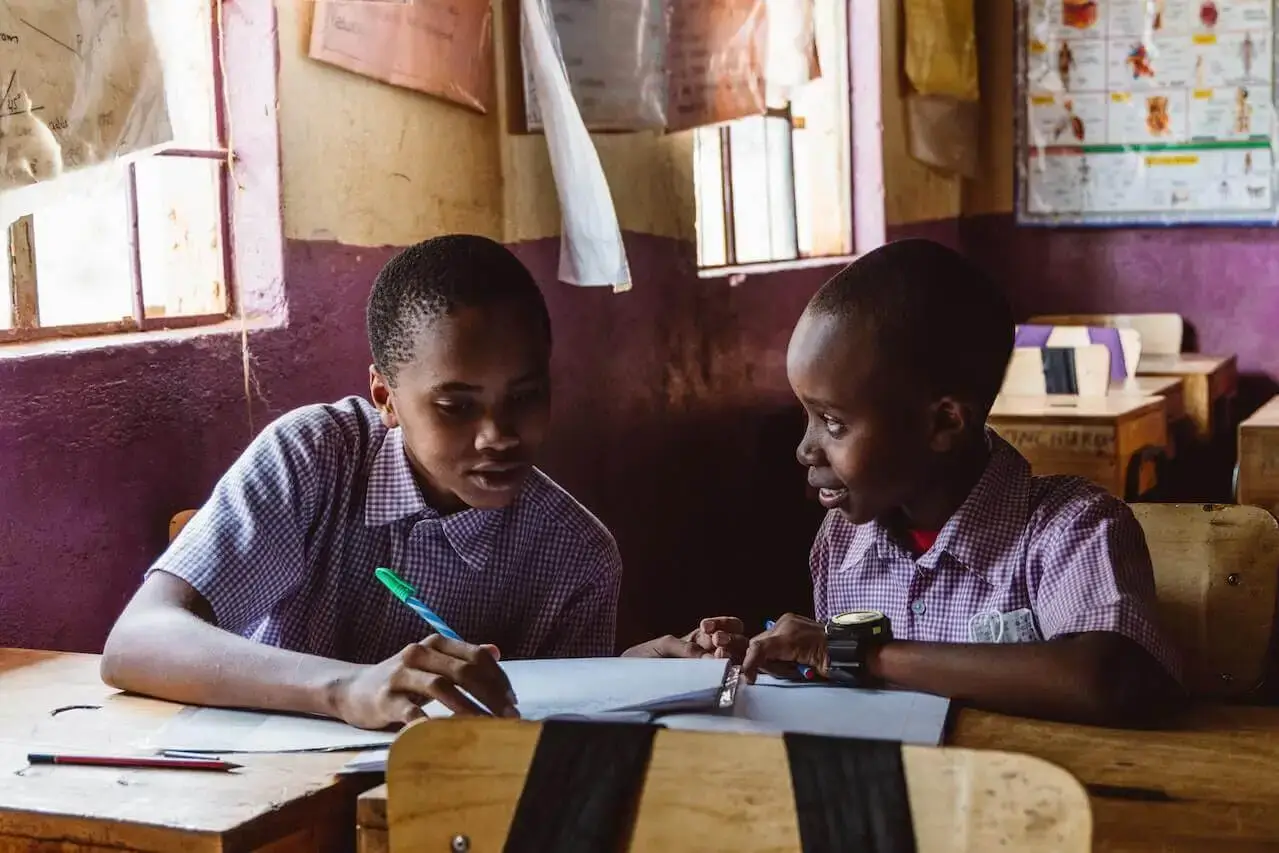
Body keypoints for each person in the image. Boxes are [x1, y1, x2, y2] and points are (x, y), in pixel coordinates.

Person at [633, 239, 1181, 726]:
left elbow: (1110, 679)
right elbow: (851, 697)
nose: (804, 449)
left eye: (833, 423)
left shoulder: (1070, 528)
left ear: (943, 423)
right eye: (807, 416)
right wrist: (779, 658)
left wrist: (850, 652)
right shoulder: (843, 542)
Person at [102, 235, 622, 730]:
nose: (497, 436)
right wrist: (346, 689)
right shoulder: (314, 460)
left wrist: (632, 672)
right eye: (456, 406)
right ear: (385, 398)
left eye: (525, 396)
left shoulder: (576, 553)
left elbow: (558, 738)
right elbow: (135, 643)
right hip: (265, 788)